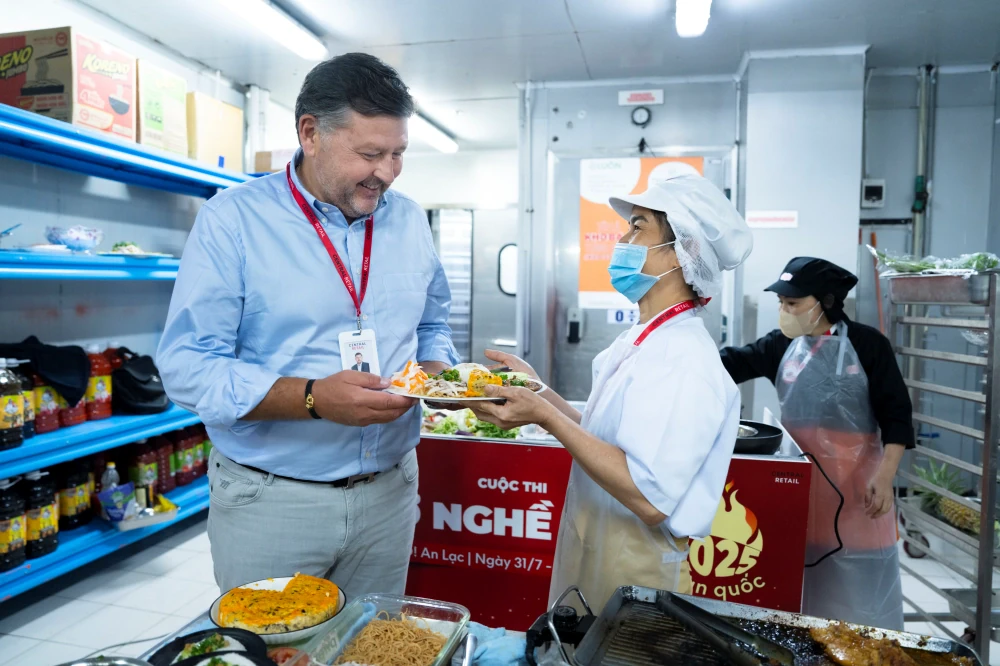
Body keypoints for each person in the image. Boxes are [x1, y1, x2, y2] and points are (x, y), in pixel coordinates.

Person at [156, 53, 459, 596]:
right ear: (311, 133)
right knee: (275, 642)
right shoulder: (233, 220)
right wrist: (313, 398)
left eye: (398, 154)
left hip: (390, 493)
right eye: (370, 154)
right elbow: (188, 365)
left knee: (375, 639)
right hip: (274, 500)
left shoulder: (410, 219)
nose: (387, 173)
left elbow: (433, 324)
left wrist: (437, 377)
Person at [470, 174, 753, 609]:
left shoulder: (685, 358)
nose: (622, 240)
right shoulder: (642, 338)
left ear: (685, 250)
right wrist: (538, 392)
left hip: (637, 565)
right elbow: (603, 438)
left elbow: (649, 496)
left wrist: (544, 416)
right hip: (598, 545)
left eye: (638, 227)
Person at [719, 257, 912, 630]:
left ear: (825, 302)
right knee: (799, 582)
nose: (784, 311)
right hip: (802, 488)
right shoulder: (781, 345)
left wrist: (886, 476)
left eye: (793, 303)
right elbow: (734, 363)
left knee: (858, 590)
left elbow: (897, 416)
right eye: (781, 303)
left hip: (858, 490)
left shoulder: (868, 345)